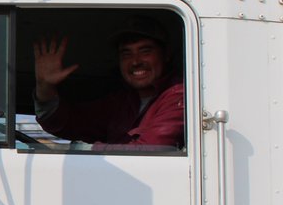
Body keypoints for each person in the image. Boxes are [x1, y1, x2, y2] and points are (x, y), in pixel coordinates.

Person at [33, 16, 184, 151]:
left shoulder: (179, 96)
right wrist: (45, 88)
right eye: (127, 54)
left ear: (166, 55)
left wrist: (86, 149)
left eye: (145, 51)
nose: (136, 61)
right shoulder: (122, 102)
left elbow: (151, 150)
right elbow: (68, 123)